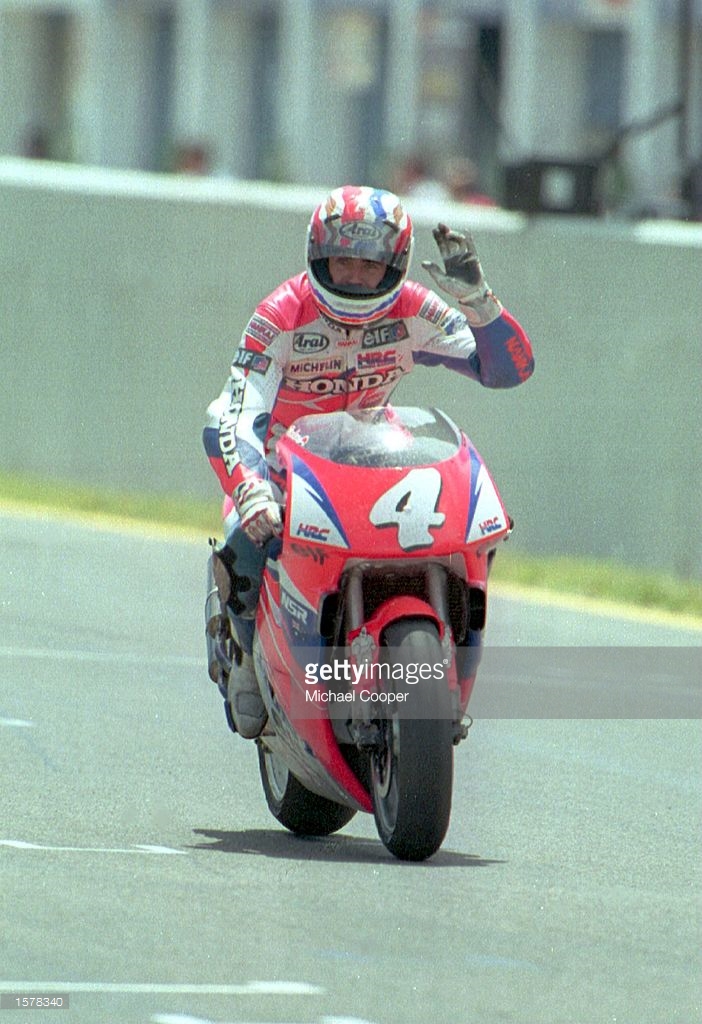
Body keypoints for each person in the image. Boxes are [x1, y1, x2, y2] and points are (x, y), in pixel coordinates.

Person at [203, 184, 534, 738]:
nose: (355, 276)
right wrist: (250, 487)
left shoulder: (413, 309)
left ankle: (441, 669)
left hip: (371, 459)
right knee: (246, 539)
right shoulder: (280, 315)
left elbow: (507, 370)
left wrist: (480, 302)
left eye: (370, 264)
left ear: (395, 264)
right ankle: (242, 659)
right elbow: (234, 413)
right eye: (343, 261)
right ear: (318, 255)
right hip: (284, 468)